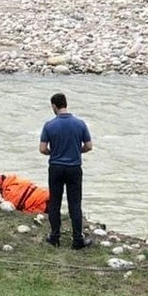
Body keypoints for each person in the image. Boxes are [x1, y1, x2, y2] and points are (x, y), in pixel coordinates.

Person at [39, 93, 92, 249]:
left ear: (54, 106)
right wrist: (76, 151)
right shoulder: (80, 124)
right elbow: (89, 146)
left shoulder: (49, 125)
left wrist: (53, 152)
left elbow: (42, 149)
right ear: (66, 104)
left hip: (55, 167)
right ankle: (77, 239)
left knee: (55, 203)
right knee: (75, 204)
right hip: (74, 167)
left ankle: (54, 237)